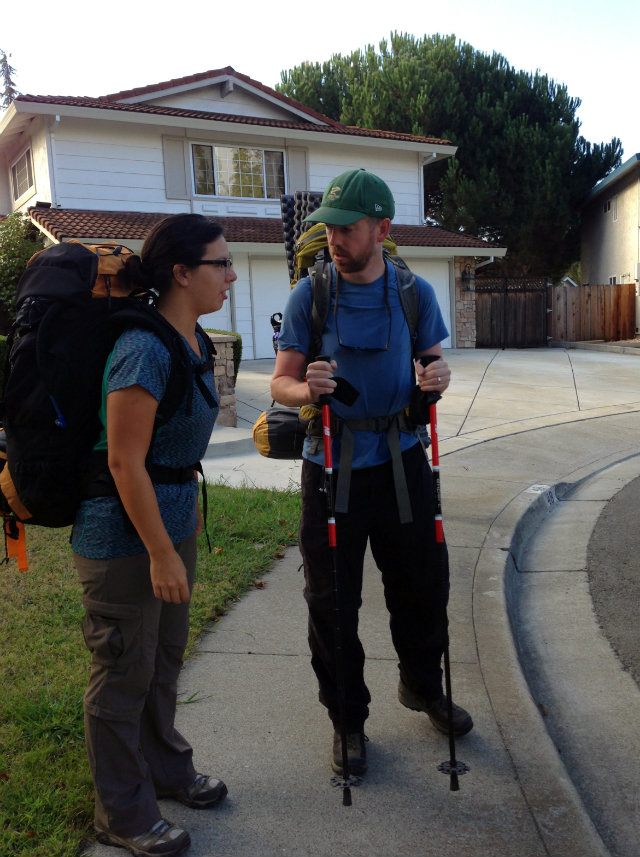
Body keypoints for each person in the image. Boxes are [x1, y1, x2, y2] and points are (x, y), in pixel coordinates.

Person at [271, 169, 473, 778]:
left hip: (404, 456)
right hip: (331, 464)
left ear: (382, 229)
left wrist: (436, 376)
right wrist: (304, 387)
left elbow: (434, 362)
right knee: (333, 600)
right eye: (329, 227)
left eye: (348, 227)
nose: (334, 237)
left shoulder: (414, 292)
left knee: (422, 585)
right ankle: (348, 721)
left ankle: (421, 686)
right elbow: (281, 382)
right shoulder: (311, 295)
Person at [71, 214, 236, 857]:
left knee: (162, 661)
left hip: (169, 528)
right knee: (121, 675)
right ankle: (122, 813)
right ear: (181, 273)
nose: (228, 274)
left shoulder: (193, 339)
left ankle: (165, 768)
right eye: (219, 264)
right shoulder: (142, 347)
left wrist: (180, 529)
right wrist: (162, 552)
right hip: (122, 541)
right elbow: (122, 460)